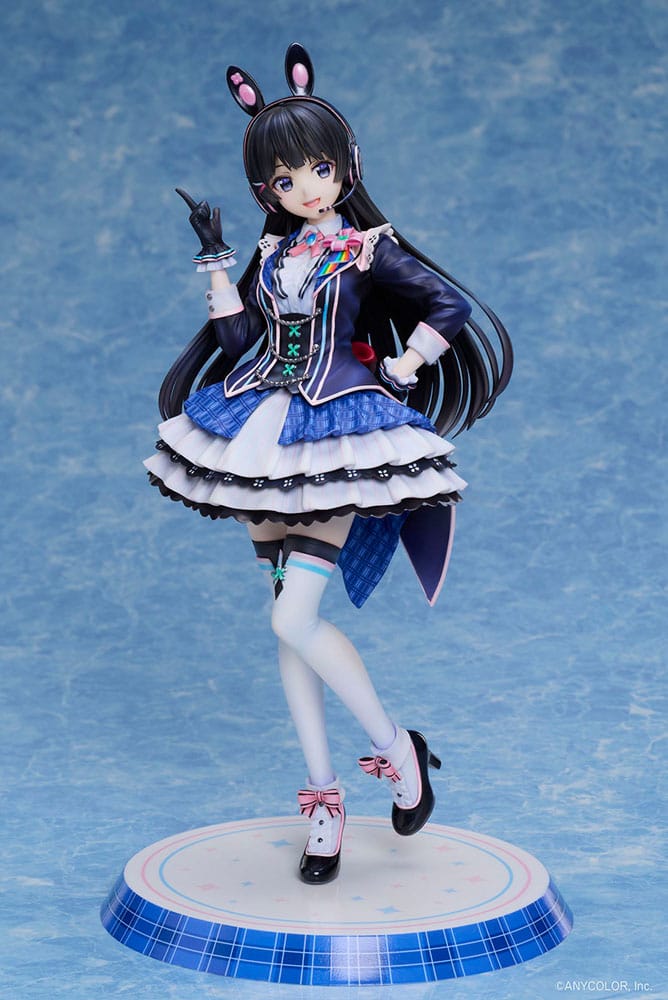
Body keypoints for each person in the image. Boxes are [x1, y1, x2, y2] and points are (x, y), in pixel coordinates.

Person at [144, 43, 512, 884]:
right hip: (259, 429)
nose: (308, 188)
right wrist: (216, 261)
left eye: (319, 168)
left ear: (346, 165)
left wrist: (406, 365)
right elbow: (241, 338)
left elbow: (447, 304)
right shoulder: (275, 256)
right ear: (265, 191)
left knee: (291, 619)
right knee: (287, 620)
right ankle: (323, 797)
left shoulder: (367, 248)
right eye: (287, 179)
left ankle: (396, 750)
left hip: (336, 431)